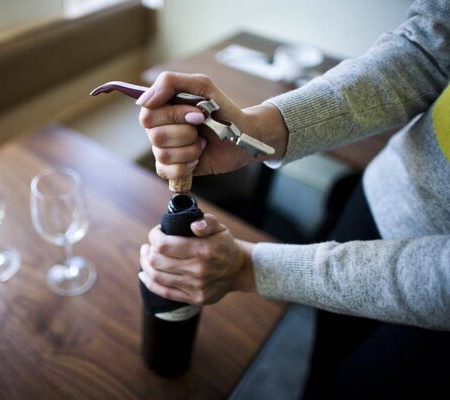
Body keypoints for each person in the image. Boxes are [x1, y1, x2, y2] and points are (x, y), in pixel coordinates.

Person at [136, 0, 450, 397]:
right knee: (324, 362)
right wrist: (252, 131)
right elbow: (426, 52)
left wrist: (249, 268)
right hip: (385, 192)